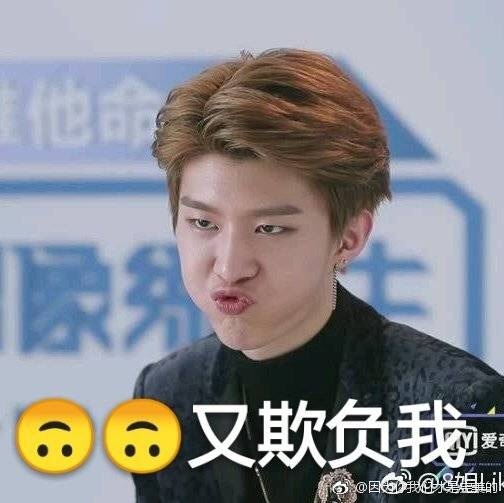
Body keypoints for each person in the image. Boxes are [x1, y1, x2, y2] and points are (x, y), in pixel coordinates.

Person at [132, 49, 504, 503]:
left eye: (269, 228)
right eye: (203, 223)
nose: (229, 267)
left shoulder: (460, 411)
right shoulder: (167, 396)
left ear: (348, 238)